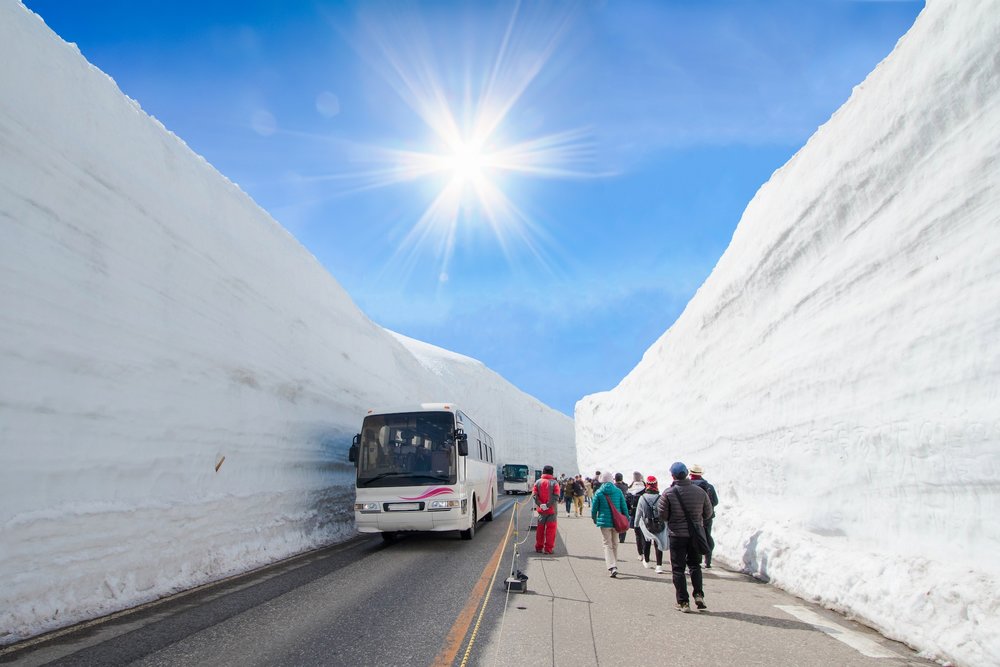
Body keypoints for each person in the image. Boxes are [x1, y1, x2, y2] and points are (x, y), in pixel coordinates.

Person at [656, 462, 713, 612]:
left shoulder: (668, 493)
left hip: (677, 535)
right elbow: (708, 513)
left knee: (678, 569)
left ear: (673, 476)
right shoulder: (700, 492)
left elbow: (663, 514)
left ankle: (683, 602)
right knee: (695, 565)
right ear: (687, 474)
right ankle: (699, 594)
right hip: (695, 535)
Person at [591, 471, 629, 577]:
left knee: (607, 544)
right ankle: (614, 564)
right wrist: (626, 518)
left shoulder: (599, 492)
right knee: (615, 543)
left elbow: (594, 508)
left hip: (604, 522)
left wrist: (594, 518)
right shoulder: (618, 491)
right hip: (617, 522)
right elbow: (624, 506)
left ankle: (612, 566)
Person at [633, 476, 668, 574]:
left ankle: (647, 561)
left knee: (646, 542)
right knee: (658, 544)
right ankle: (659, 566)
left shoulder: (642, 498)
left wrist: (636, 525)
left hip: (646, 524)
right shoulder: (660, 497)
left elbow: (638, 514)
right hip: (658, 524)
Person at [689, 464, 719, 568]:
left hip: (693, 517)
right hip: (707, 516)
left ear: (690, 474)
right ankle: (708, 561)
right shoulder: (709, 487)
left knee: (693, 538)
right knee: (706, 536)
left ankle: (696, 559)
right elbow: (715, 501)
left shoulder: (688, 486)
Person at [532, 465, 560, 554]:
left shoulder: (537, 482)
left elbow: (534, 495)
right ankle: (548, 549)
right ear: (552, 473)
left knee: (540, 529)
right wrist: (548, 505)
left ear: (543, 472)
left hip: (541, 511)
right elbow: (556, 496)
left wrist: (541, 504)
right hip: (552, 511)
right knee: (551, 530)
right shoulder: (554, 483)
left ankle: (539, 547)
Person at [626, 471, 647, 560]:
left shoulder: (630, 489)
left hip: (634, 515)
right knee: (645, 535)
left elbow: (627, 503)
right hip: (644, 515)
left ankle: (640, 553)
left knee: (638, 535)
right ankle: (646, 552)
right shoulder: (645, 488)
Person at [614, 473, 630, 543]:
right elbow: (626, 486)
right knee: (623, 522)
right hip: (624, 506)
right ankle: (622, 538)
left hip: (616, 506)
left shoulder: (614, 486)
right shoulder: (625, 487)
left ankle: (615, 537)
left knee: (615, 522)